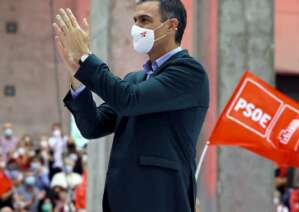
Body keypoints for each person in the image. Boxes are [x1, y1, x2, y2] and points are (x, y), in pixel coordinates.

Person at [52, 0, 209, 211]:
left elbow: (128, 100)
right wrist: (77, 75)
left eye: (145, 20)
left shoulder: (189, 72)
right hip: (123, 199)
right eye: (135, 20)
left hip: (161, 198)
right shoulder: (135, 79)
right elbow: (92, 126)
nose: (137, 28)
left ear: (172, 26)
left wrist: (86, 58)